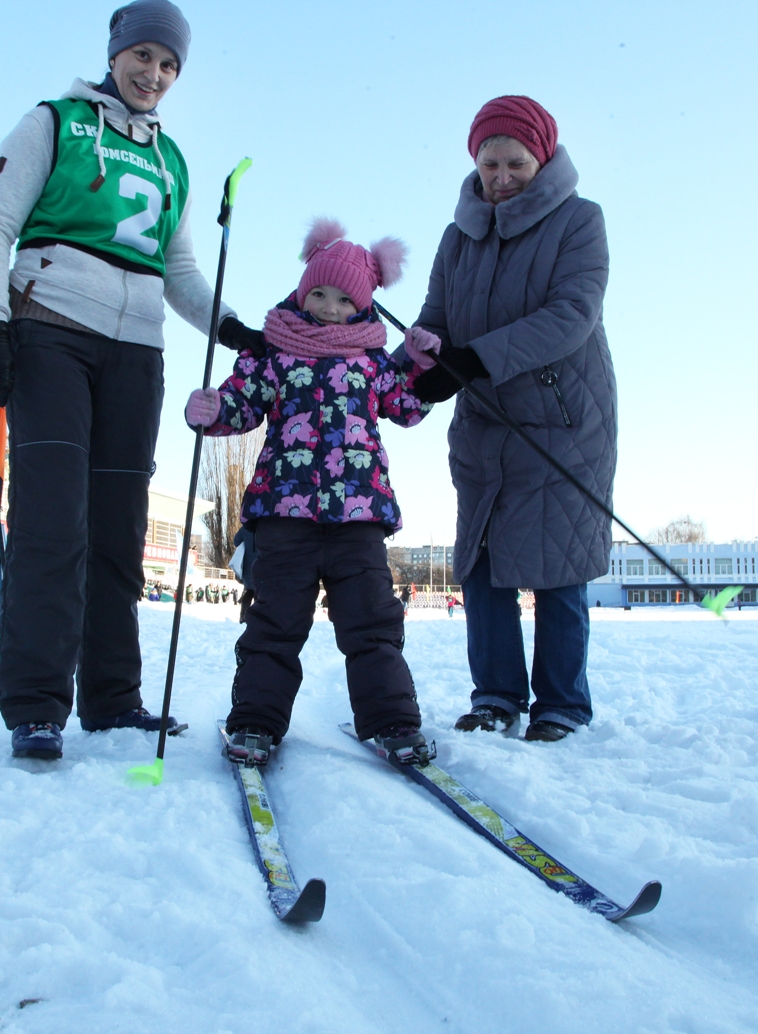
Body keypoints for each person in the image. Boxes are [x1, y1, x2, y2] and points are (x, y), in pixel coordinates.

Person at [0, 0, 262, 761]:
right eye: (144, 57)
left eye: (169, 65)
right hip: (51, 329)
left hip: (138, 351)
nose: (154, 74)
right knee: (53, 524)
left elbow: (181, 271)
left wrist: (234, 330)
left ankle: (112, 697)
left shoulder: (173, 161)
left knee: (119, 533)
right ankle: (37, 705)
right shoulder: (54, 122)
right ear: (116, 52)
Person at [186, 219, 439, 765]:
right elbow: (244, 404)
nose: (328, 306)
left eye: (344, 299)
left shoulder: (373, 361)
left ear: (363, 305)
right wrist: (213, 411)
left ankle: (394, 721)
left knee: (372, 622)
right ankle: (255, 721)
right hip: (284, 514)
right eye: (318, 293)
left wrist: (420, 362)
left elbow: (408, 407)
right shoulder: (274, 352)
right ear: (303, 291)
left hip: (359, 517)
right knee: (273, 623)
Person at [412, 96, 616, 742]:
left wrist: (475, 359)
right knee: (481, 565)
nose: (501, 176)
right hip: (485, 425)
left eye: (515, 162)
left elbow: (571, 315)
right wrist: (407, 372)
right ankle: (496, 695)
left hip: (562, 421)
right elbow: (434, 325)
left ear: (543, 157)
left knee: (559, 564)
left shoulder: (579, 221)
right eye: (489, 163)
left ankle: (561, 703)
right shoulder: (458, 238)